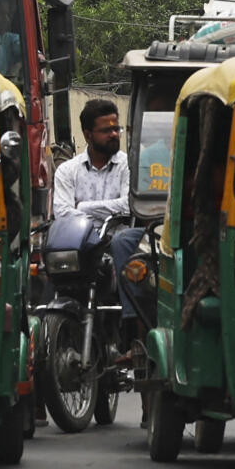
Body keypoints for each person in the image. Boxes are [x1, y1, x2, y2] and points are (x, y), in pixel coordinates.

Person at [52, 98, 141, 318]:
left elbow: (128, 205)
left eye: (116, 128)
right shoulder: (66, 171)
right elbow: (62, 213)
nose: (114, 134)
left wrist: (81, 207)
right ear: (87, 134)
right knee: (49, 278)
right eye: (106, 130)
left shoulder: (130, 165)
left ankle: (130, 327)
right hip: (79, 247)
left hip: (117, 244)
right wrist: (105, 212)